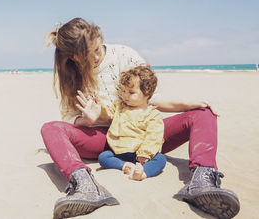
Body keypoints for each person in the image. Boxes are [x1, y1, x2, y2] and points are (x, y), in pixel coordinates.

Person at [41, 17, 240, 219]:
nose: (96, 56)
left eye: (98, 48)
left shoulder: (124, 55)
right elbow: (68, 118)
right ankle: (85, 186)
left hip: (144, 132)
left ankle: (203, 182)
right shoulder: (69, 77)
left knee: (204, 113)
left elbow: (151, 98)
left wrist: (189, 104)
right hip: (103, 140)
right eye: (88, 54)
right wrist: (87, 120)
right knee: (50, 128)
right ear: (74, 57)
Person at [98, 65, 166, 181]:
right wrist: (98, 107)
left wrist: (145, 153)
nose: (125, 95)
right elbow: (107, 113)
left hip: (139, 154)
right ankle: (125, 166)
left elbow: (154, 136)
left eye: (131, 92)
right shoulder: (119, 106)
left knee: (160, 159)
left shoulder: (152, 114)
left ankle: (143, 173)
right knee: (103, 157)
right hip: (119, 151)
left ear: (147, 93)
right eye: (123, 91)